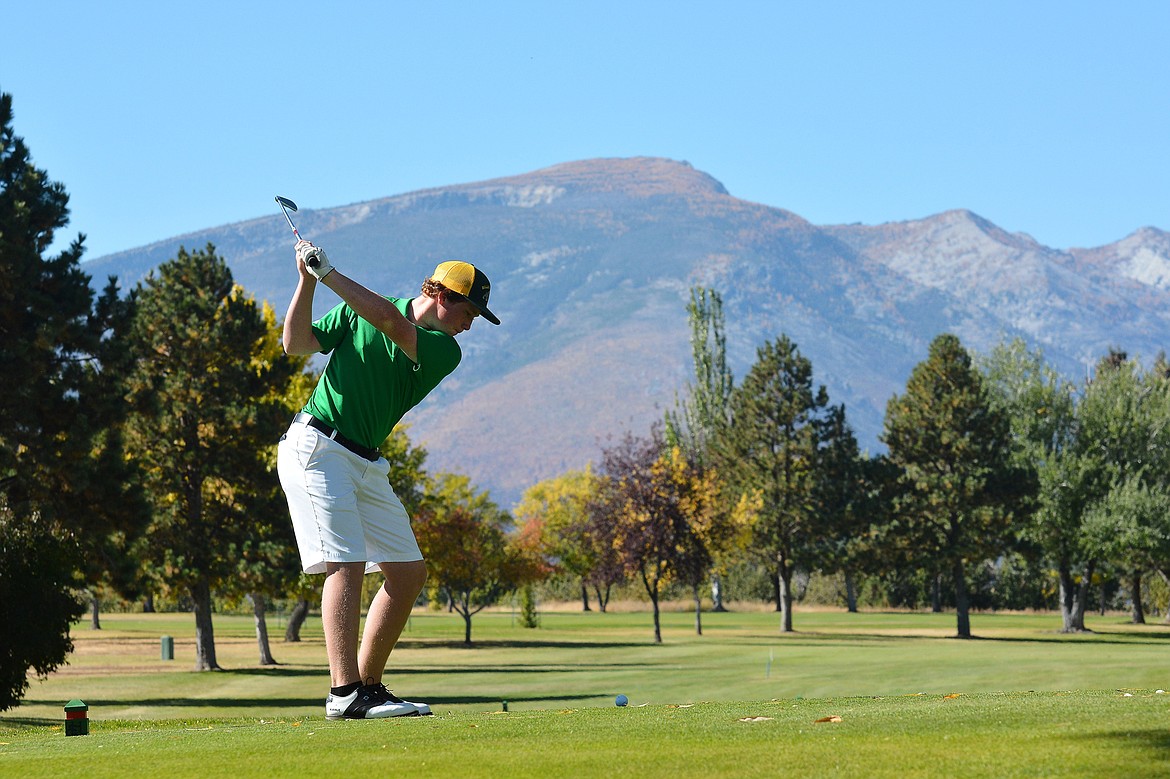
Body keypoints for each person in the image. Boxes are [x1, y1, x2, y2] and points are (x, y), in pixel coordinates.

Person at [278, 238, 499, 720]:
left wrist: (329, 274)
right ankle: (345, 694)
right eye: (471, 312)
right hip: (317, 447)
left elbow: (391, 323)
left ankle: (368, 686)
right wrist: (306, 281)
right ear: (444, 297)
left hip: (364, 461)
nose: (471, 323)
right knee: (347, 563)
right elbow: (295, 344)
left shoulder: (444, 349)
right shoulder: (362, 311)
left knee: (407, 572)